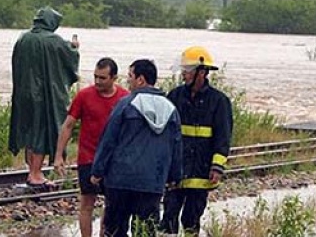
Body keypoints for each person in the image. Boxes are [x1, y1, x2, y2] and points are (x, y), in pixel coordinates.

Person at [90, 59, 182, 237]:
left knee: (115, 230)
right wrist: (174, 177)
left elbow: (109, 139)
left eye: (130, 76)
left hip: (120, 180)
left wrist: (97, 171)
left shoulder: (126, 104)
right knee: (145, 231)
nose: (128, 81)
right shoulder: (171, 109)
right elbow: (176, 146)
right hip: (152, 183)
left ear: (140, 79)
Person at [159, 46, 233, 236]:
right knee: (168, 217)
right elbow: (166, 134)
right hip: (176, 171)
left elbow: (223, 138)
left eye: (187, 71)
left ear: (202, 72)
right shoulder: (175, 96)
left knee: (191, 219)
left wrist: (217, 167)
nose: (183, 75)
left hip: (201, 172)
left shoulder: (219, 101)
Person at [54, 57, 130, 237]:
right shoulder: (84, 96)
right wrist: (58, 156)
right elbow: (68, 125)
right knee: (87, 202)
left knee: (111, 204)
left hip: (114, 161)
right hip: (88, 158)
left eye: (102, 78)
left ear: (114, 78)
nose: (97, 81)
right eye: (95, 76)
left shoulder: (125, 98)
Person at [10, 7, 80, 188]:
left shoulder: (23, 38)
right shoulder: (54, 41)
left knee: (29, 131)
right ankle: (36, 173)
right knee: (41, 132)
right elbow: (70, 59)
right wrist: (74, 49)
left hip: (24, 93)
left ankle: (32, 171)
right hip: (44, 95)